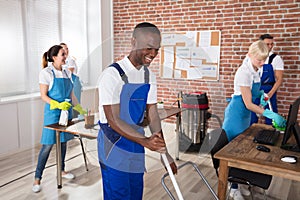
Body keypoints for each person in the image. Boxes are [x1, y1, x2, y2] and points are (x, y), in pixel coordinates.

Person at [97, 22, 177, 200]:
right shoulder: (112, 75)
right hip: (114, 145)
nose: (153, 54)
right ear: (134, 42)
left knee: (135, 193)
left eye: (157, 49)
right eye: (149, 48)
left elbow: (153, 115)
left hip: (136, 144)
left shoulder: (149, 76)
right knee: (118, 195)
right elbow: (113, 120)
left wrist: (164, 153)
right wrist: (146, 141)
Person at [222, 40, 286, 200]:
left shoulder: (256, 69)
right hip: (236, 115)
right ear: (249, 55)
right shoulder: (243, 72)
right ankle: (233, 188)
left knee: (243, 148)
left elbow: (254, 93)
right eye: (259, 60)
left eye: (264, 59)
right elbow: (249, 103)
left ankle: (243, 183)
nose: (263, 63)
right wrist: (271, 115)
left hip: (244, 116)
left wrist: (262, 96)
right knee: (233, 152)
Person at [32, 45, 86, 193]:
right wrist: (57, 104)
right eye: (62, 54)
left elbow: (72, 95)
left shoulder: (67, 73)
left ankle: (62, 171)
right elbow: (44, 95)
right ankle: (37, 178)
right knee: (47, 146)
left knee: (63, 143)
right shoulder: (46, 73)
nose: (65, 57)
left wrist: (80, 109)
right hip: (53, 114)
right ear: (54, 57)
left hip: (66, 112)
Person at [250, 34, 284, 125]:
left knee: (271, 119)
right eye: (267, 44)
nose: (270, 47)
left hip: (269, 90)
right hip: (255, 90)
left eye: (271, 44)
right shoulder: (253, 58)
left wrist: (269, 95)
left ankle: (271, 137)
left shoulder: (276, 59)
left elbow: (279, 79)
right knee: (251, 117)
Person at [60, 42, 83, 117]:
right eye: (64, 49)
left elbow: (69, 73)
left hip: (74, 83)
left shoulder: (70, 60)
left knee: (75, 104)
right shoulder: (62, 61)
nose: (66, 50)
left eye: (67, 48)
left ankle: (76, 121)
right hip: (67, 84)